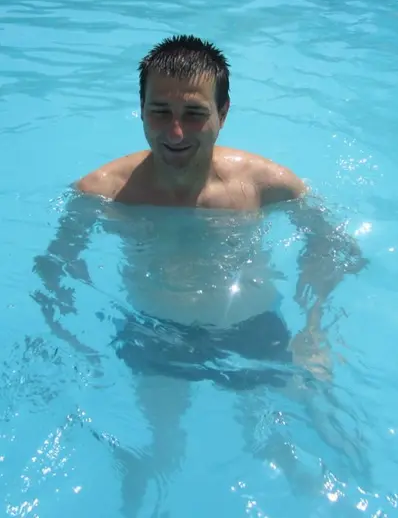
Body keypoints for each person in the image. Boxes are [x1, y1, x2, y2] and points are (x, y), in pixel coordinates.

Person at [33, 34, 368, 516]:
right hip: (155, 334)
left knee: (285, 441)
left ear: (223, 113)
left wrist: (314, 331)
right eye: (160, 112)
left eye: (194, 113)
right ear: (140, 110)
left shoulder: (268, 185)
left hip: (253, 330)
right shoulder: (100, 193)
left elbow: (335, 248)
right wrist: (71, 343)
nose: (175, 132)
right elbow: (53, 268)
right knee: (160, 448)